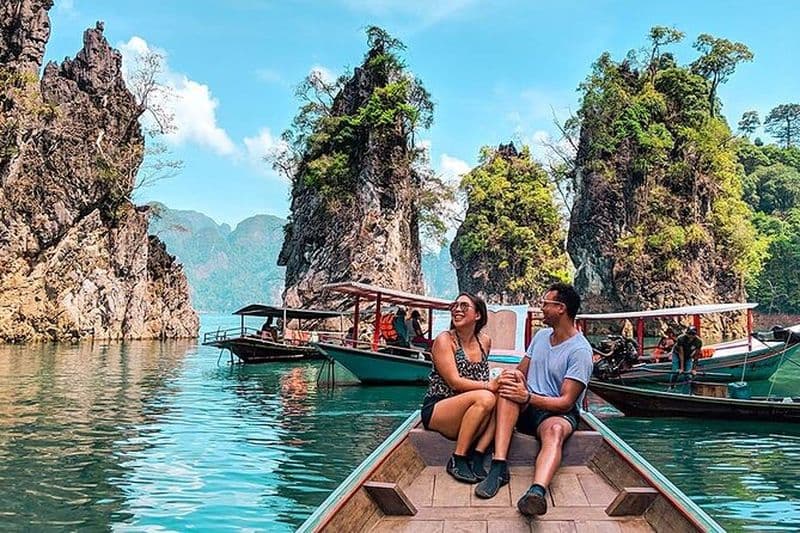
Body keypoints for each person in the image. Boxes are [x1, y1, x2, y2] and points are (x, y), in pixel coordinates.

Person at [474, 282, 593, 517]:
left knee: (556, 430)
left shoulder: (580, 351)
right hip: (528, 405)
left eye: (545, 304)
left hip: (556, 412)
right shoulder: (540, 337)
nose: (541, 309)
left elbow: (566, 402)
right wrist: (511, 378)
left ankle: (536, 492)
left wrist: (527, 396)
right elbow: (522, 371)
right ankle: (499, 466)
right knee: (509, 389)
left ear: (561, 308)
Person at [420, 292, 497, 483]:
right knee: (487, 397)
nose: (457, 310)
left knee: (504, 395)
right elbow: (454, 382)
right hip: (440, 407)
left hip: (471, 408)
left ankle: (478, 454)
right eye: (455, 306)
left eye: (464, 306)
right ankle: (458, 458)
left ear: (477, 315)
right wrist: (489, 386)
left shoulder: (484, 342)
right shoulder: (445, 340)